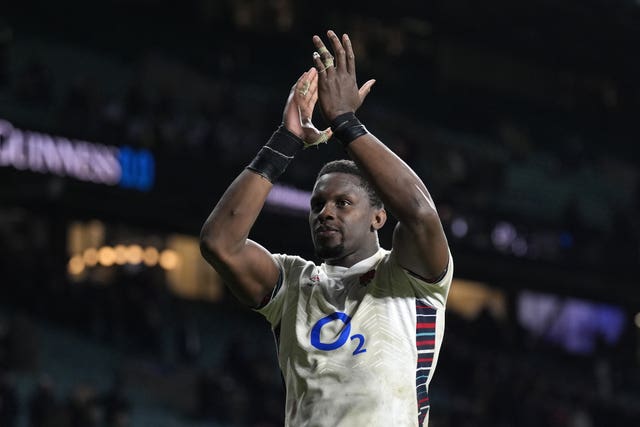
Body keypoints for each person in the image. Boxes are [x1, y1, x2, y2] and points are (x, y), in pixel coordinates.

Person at [200, 30, 453, 426]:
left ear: (378, 217)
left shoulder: (408, 275)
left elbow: (420, 212)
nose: (326, 213)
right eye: (317, 204)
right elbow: (219, 243)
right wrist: (287, 139)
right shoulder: (292, 282)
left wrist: (346, 123)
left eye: (343, 203)